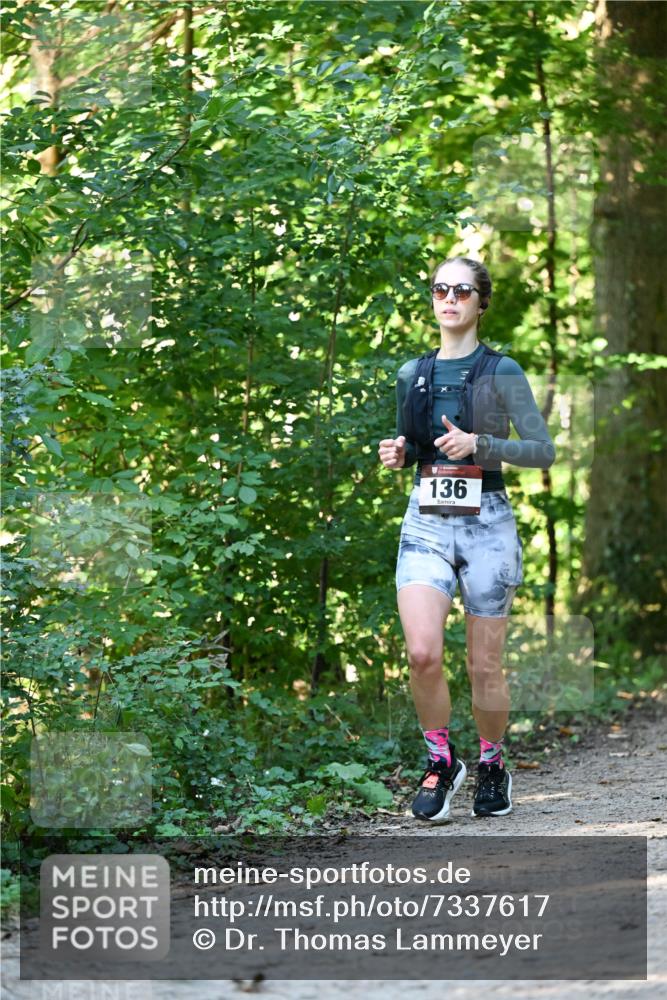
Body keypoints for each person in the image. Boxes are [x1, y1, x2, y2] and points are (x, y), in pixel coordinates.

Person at [378, 256, 555, 822]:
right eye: (439, 289)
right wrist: (398, 452)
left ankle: (492, 763)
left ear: (481, 302)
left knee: (484, 667)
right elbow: (411, 443)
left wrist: (483, 445)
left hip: (488, 523)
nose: (449, 298)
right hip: (426, 520)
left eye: (462, 290)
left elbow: (543, 451)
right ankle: (440, 760)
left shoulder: (503, 371)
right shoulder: (413, 374)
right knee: (423, 652)